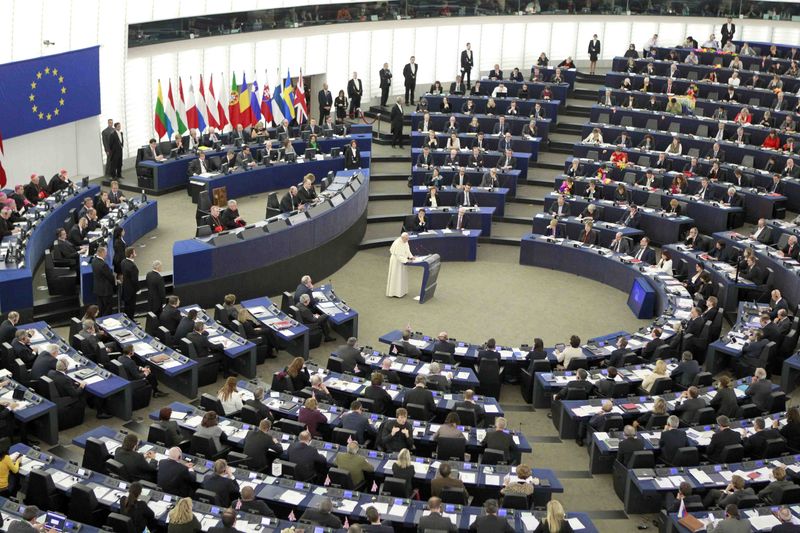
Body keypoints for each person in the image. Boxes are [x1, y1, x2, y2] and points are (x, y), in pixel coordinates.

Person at [386, 233, 414, 298]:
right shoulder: (397, 243)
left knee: (401, 276)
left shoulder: (405, 241)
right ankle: (394, 292)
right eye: (406, 239)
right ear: (403, 238)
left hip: (402, 260)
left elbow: (407, 250)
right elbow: (398, 256)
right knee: (396, 276)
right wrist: (407, 261)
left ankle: (402, 292)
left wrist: (411, 257)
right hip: (396, 262)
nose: (407, 240)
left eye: (408, 239)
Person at [91, 246, 115, 317]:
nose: (106, 254)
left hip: (98, 289)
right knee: (107, 309)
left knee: (101, 308)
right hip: (106, 291)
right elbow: (110, 277)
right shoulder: (103, 265)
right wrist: (114, 284)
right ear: (102, 253)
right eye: (106, 252)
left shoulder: (94, 261)